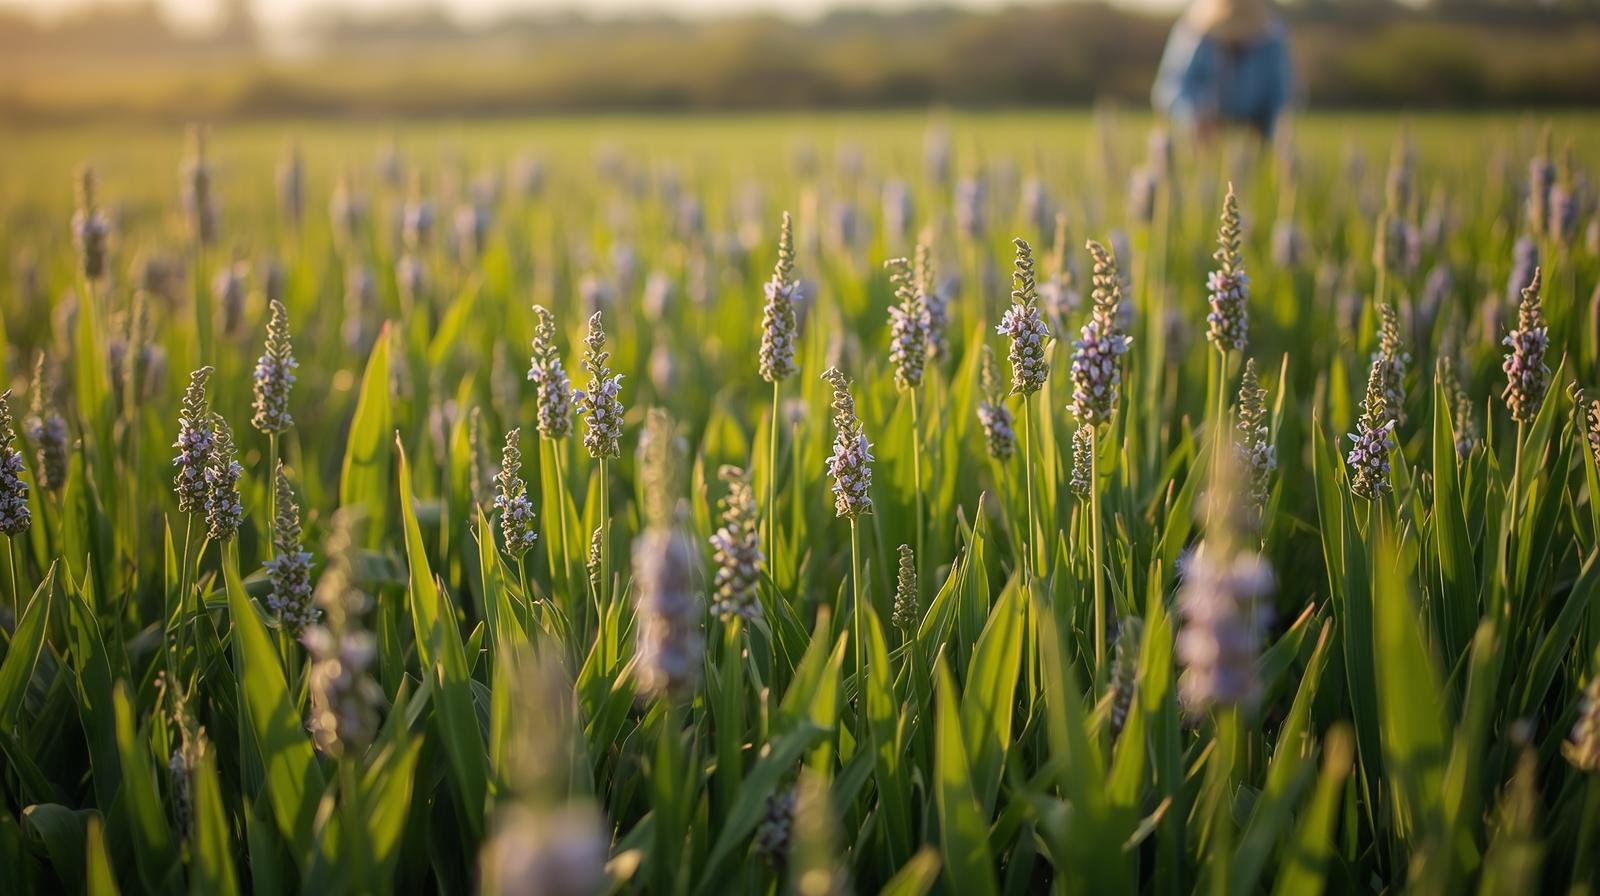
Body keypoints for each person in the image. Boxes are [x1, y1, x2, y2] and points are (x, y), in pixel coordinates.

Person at [1152, 0, 1293, 140]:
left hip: (1254, 136)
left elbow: (1284, 96)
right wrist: (1192, 116)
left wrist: (1268, 124)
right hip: (1198, 137)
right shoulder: (1192, 35)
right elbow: (1168, 89)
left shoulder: (1272, 41)